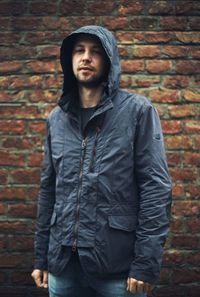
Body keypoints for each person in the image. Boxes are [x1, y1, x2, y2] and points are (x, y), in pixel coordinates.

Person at [31, 25, 172, 297]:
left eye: (95, 52)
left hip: (117, 269)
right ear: (68, 59)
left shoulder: (137, 111)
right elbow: (49, 191)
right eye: (79, 51)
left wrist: (144, 264)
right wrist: (41, 258)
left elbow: (156, 189)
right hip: (62, 268)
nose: (86, 57)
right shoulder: (56, 119)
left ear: (109, 61)